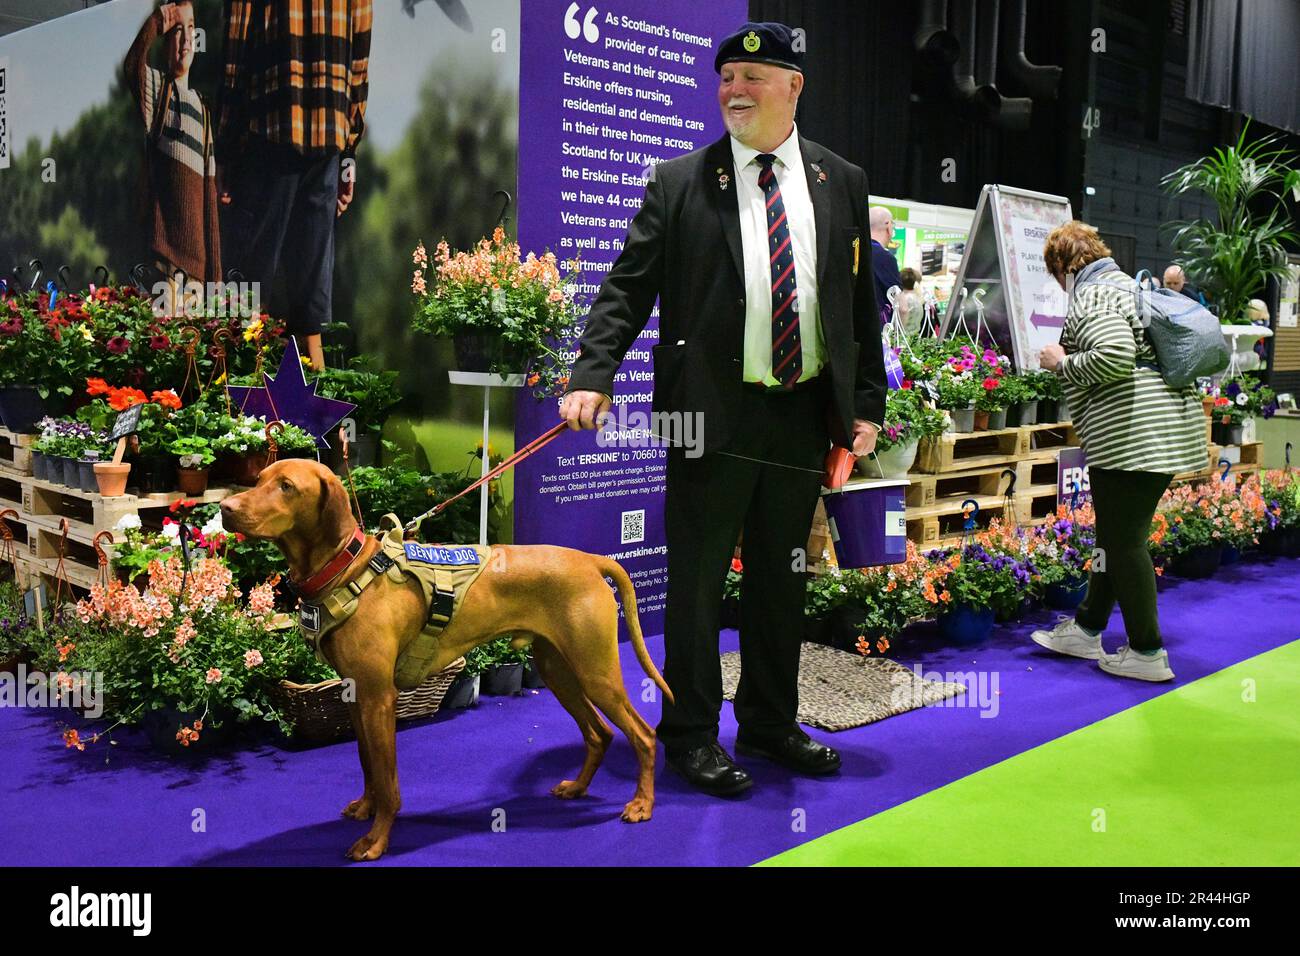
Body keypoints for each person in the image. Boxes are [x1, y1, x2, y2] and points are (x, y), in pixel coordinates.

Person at [560, 21, 887, 795]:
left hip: (801, 412)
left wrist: (864, 403)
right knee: (699, 581)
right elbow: (627, 288)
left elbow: (854, 305)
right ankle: (692, 735)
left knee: (783, 578)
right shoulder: (679, 182)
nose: (734, 90)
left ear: (793, 87)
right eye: (726, 77)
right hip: (708, 413)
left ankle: (771, 723)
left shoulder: (841, 180)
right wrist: (593, 372)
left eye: (752, 75)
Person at [1033, 222, 1206, 681]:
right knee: (1113, 538)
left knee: (1124, 543)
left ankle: (1147, 652)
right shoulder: (1127, 285)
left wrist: (1061, 362)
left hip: (1134, 439)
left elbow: (1113, 356)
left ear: (1065, 266)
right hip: (1157, 434)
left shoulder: (1095, 294)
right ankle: (1088, 626)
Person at [216, 0, 372, 370]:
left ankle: (240, 403)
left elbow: (235, 54)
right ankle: (322, 408)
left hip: (270, 128)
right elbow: (360, 65)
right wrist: (348, 155)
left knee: (251, 286)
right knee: (311, 287)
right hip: (328, 135)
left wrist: (225, 150)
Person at [124, 2, 222, 286]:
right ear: (166, 41)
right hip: (164, 262)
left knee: (192, 331)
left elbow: (210, 199)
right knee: (163, 332)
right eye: (177, 31)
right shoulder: (159, 90)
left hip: (198, 274)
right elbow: (133, 65)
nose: (186, 38)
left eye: (191, 28)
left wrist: (215, 280)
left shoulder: (203, 110)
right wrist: (159, 20)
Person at [869, 206, 902, 313]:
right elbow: (900, 306)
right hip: (877, 326)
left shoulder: (853, 249)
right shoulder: (886, 258)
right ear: (888, 225)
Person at [895, 267, 924, 335]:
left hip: (904, 338)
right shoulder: (918, 298)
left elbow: (903, 311)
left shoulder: (902, 299)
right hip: (915, 335)